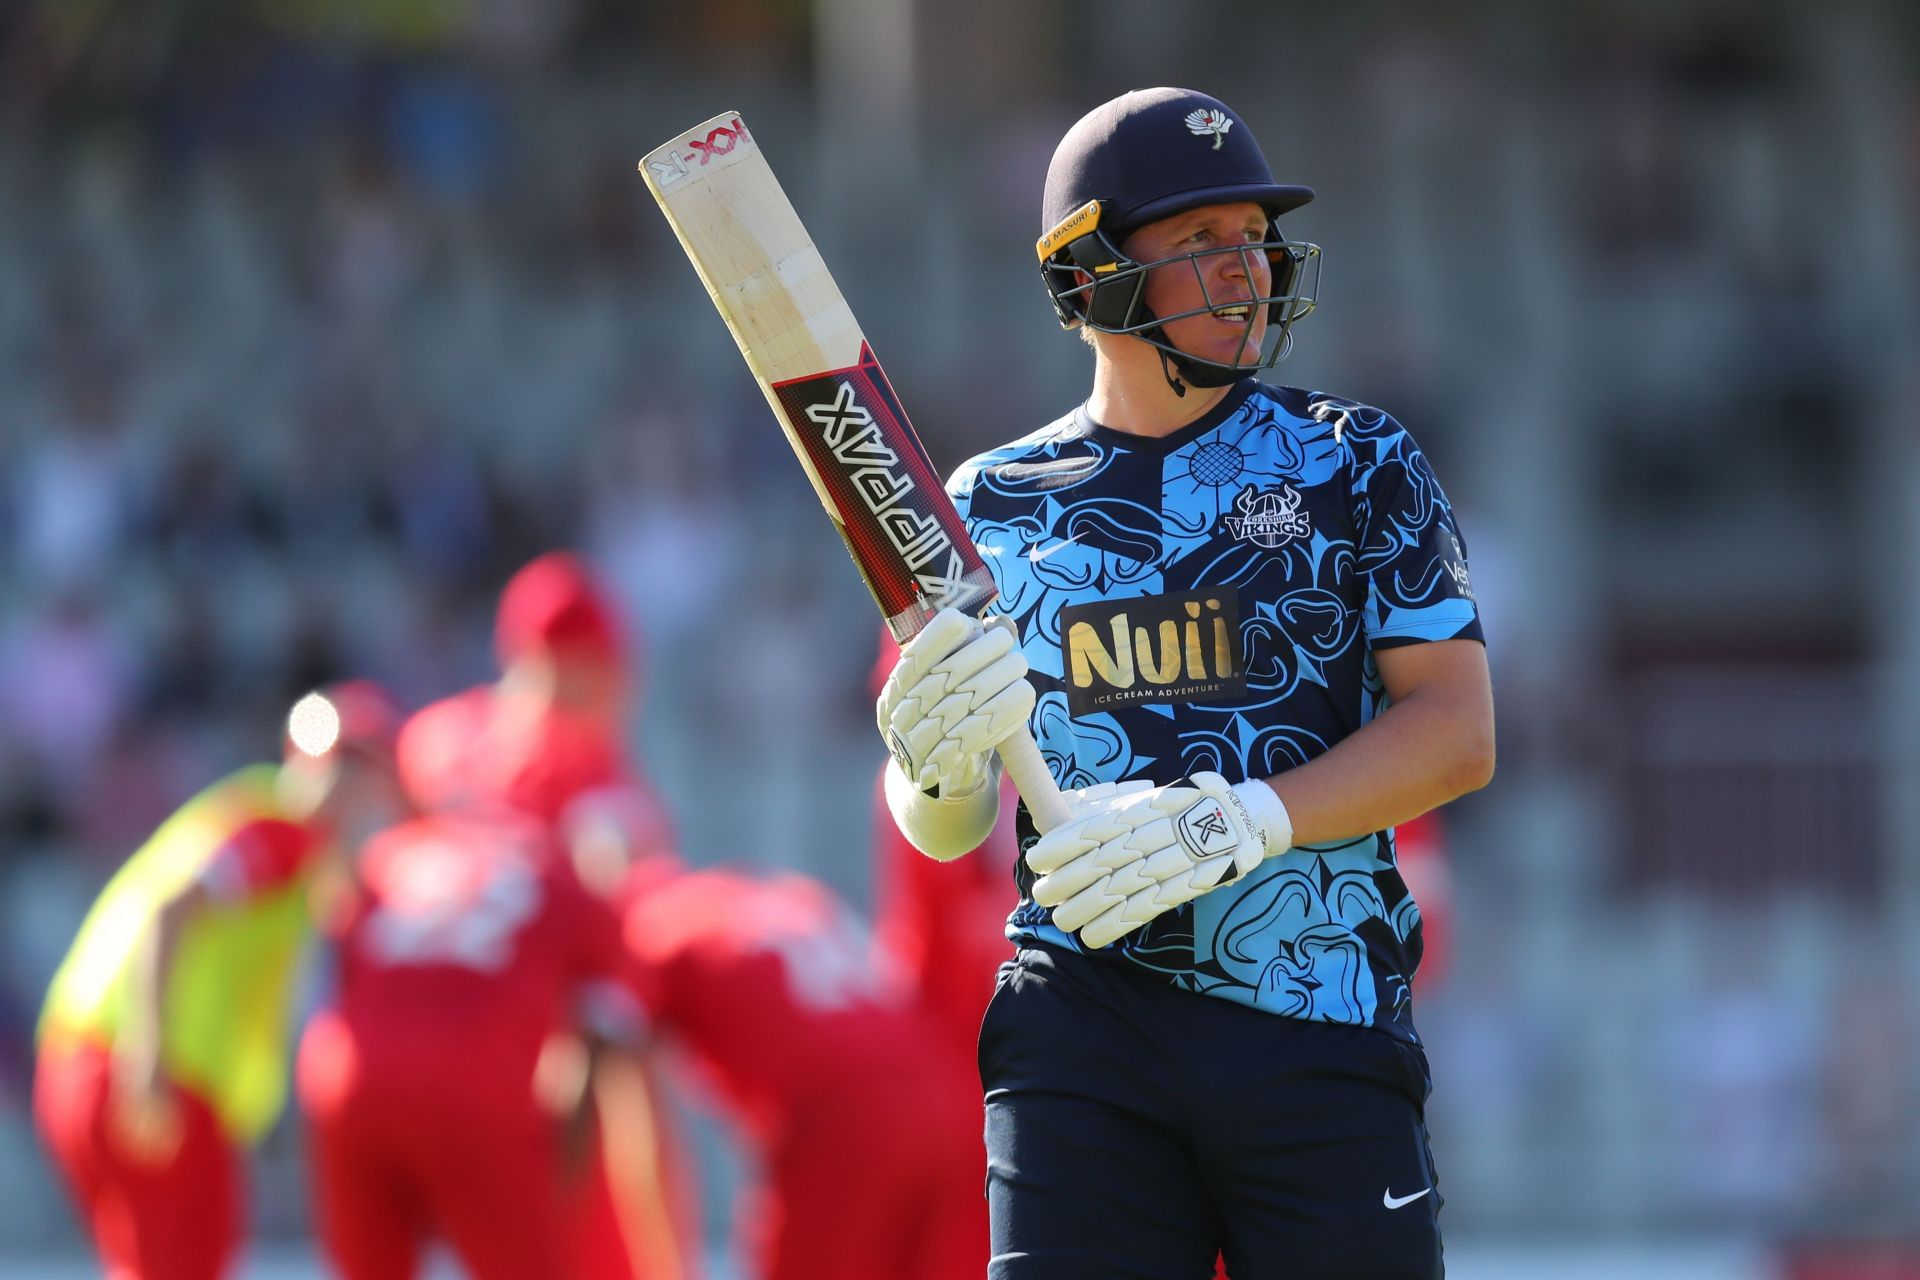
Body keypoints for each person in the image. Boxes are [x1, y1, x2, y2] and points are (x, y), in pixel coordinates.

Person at [874, 87, 1494, 1279]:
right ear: (1092, 272)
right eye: (1199, 241)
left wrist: (1238, 819)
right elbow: (949, 828)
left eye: (1252, 237)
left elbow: (1458, 734)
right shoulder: (992, 500)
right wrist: (930, 767)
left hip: (1317, 1010)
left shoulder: (1359, 461)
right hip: (1078, 1032)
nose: (1246, 268)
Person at [34, 682, 405, 1280]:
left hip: (77, 1059)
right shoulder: (283, 832)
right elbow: (172, 910)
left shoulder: (257, 819)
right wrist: (147, 1051)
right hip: (160, 1072)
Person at [396, 550, 692, 1278]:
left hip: (396, 1052)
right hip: (532, 1073)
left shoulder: (432, 740)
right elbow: (626, 951)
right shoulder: (591, 770)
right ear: (589, 669)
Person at [565, 792, 986, 1280]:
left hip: (843, 1119)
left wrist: (663, 1266)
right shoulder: (770, 892)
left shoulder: (644, 927)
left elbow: (633, 1121)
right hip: (950, 1097)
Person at [295, 806, 681, 1280]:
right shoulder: (567, 887)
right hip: (476, 1083)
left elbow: (335, 955)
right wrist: (567, 1164)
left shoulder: (396, 854)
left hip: (346, 1081)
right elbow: (607, 1049)